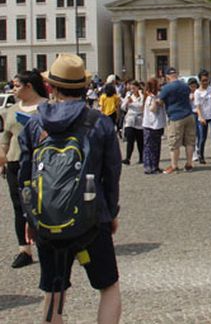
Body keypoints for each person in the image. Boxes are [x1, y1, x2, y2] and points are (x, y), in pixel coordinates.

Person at [18, 54, 122, 323]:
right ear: (85, 87)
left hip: (47, 222)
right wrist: (109, 213)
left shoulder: (34, 126)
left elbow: (26, 178)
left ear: (50, 87)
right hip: (91, 218)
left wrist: (30, 218)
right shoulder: (99, 123)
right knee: (108, 287)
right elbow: (111, 175)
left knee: (54, 292)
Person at [0, 70, 47, 268]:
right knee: (19, 206)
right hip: (15, 162)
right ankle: (24, 250)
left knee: (44, 205)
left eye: (17, 85)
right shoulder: (10, 111)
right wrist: (2, 156)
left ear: (29, 86)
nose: (14, 89)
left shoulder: (47, 107)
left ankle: (49, 245)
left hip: (41, 164)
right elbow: (5, 138)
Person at [156, 67, 197, 174]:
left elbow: (160, 101)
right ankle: (189, 164)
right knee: (189, 141)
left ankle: (174, 166)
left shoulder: (167, 88)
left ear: (167, 76)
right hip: (189, 114)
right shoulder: (185, 86)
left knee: (174, 143)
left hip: (175, 117)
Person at [142, 78, 166, 175]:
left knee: (157, 147)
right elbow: (152, 109)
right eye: (158, 85)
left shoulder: (157, 96)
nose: (160, 87)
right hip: (150, 125)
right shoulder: (149, 98)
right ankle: (148, 166)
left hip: (158, 125)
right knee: (149, 147)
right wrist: (156, 103)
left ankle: (155, 166)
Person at [121, 81, 145, 165]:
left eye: (134, 88)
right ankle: (128, 158)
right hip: (130, 119)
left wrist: (134, 104)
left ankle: (142, 157)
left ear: (138, 88)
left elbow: (142, 106)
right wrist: (127, 102)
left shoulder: (142, 95)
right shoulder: (128, 95)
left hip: (139, 119)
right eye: (131, 88)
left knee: (140, 140)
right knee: (130, 139)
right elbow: (123, 107)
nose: (132, 90)